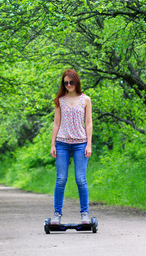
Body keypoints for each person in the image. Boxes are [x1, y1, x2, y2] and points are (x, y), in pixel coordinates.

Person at [50, 69, 93, 225]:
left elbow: (88, 123)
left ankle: (85, 215)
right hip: (62, 143)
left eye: (71, 82)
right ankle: (57, 215)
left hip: (80, 143)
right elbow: (56, 123)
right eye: (65, 82)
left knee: (81, 179)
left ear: (77, 82)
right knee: (61, 179)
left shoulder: (86, 100)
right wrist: (52, 144)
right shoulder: (60, 100)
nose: (68, 85)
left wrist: (89, 144)